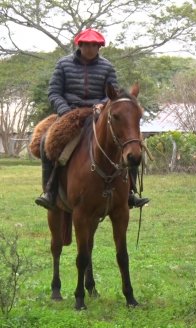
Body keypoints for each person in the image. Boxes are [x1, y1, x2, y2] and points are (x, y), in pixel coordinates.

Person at [35, 28, 149, 210]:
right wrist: (64, 110)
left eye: (94, 45)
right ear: (79, 45)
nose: (90, 48)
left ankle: (130, 192)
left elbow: (113, 94)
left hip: (98, 113)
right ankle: (50, 192)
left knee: (132, 142)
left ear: (99, 47)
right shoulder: (63, 64)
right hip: (70, 113)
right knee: (45, 142)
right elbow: (54, 92)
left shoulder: (107, 67)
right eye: (87, 45)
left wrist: (102, 105)